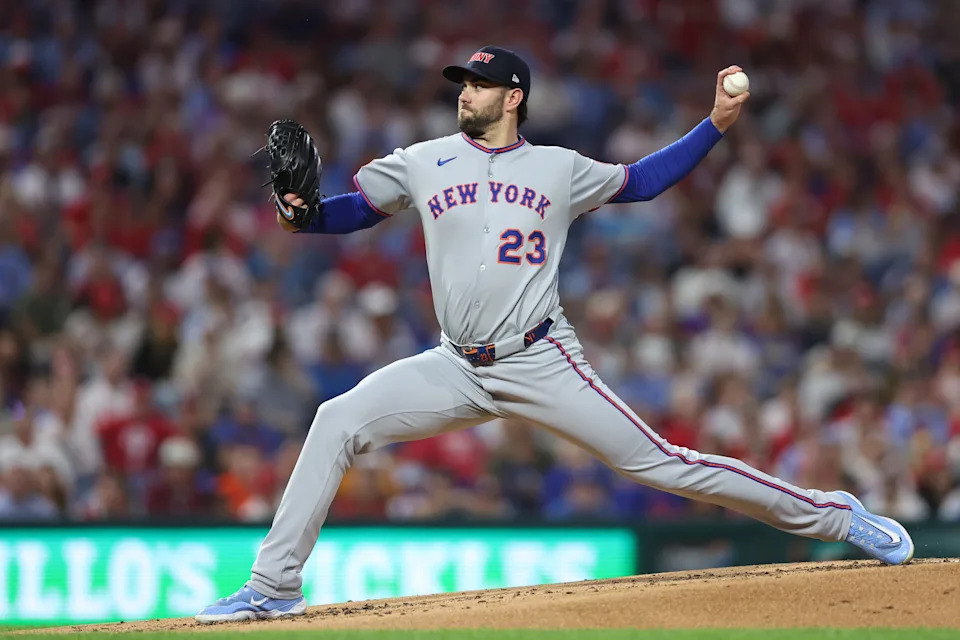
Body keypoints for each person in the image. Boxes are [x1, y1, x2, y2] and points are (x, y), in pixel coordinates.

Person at [196, 46, 913, 624]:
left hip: (541, 358)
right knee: (336, 420)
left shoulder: (559, 168)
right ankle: (273, 586)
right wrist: (300, 215)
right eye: (462, 83)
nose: (465, 93)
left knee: (663, 463)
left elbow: (643, 181)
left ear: (513, 98)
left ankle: (835, 515)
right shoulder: (422, 159)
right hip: (455, 364)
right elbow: (351, 211)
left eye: (478, 85)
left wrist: (717, 123)